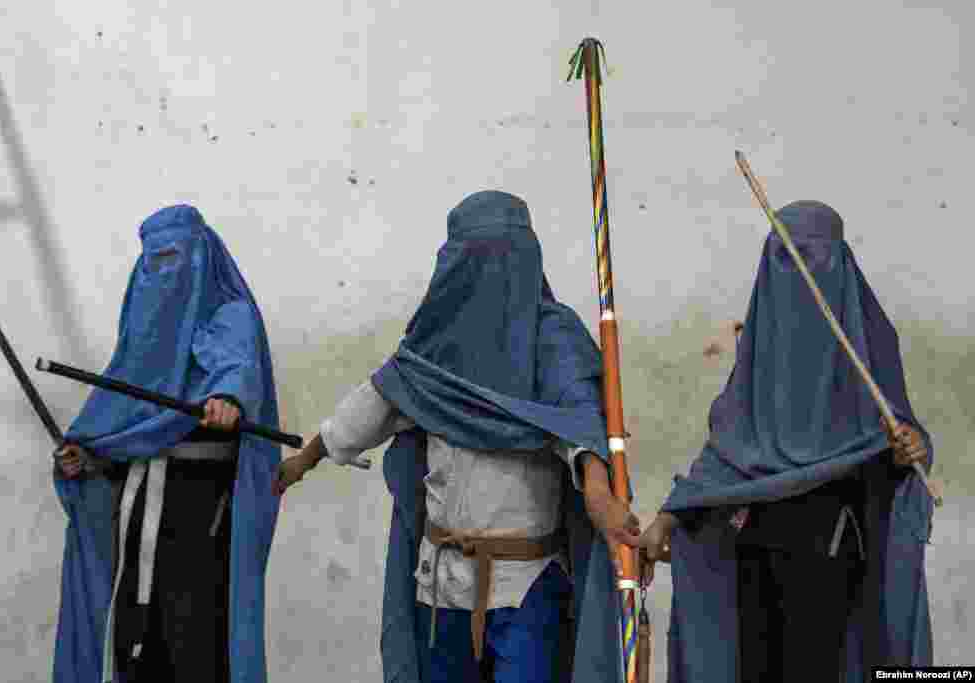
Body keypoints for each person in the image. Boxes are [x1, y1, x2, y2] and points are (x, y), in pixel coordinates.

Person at [275, 190, 642, 683]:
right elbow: (369, 406)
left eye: (504, 255)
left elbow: (579, 423)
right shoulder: (432, 345)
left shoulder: (553, 339)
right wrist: (302, 460)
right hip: (442, 586)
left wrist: (597, 491)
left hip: (528, 586)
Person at [637, 200, 934, 683]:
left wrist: (909, 451)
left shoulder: (869, 342)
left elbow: (900, 438)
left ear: (841, 262)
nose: (799, 275)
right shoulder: (761, 350)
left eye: (815, 259)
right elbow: (726, 455)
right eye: (784, 260)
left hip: (834, 546)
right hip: (754, 545)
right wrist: (666, 520)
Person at [50, 205, 281, 683]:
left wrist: (227, 398)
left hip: (203, 511)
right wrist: (90, 455)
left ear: (202, 257)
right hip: (137, 512)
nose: (163, 272)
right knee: (136, 638)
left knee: (196, 640)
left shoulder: (230, 313)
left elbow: (236, 368)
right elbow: (126, 419)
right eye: (153, 261)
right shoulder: (146, 320)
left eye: (175, 257)